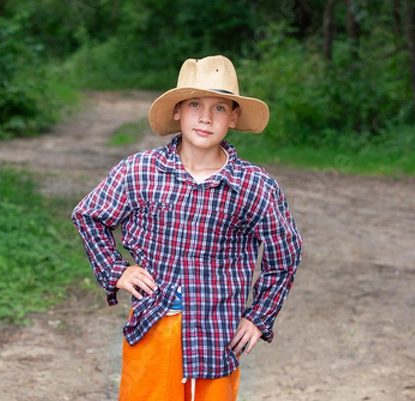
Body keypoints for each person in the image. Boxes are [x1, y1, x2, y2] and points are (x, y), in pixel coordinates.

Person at [71, 55, 302, 401]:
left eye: (220, 108)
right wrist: (116, 270)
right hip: (154, 326)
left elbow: (285, 255)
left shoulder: (254, 186)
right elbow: (89, 215)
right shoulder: (141, 171)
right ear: (178, 110)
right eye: (195, 104)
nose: (206, 117)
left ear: (234, 117)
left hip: (217, 335)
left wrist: (258, 317)